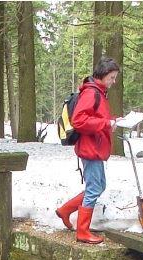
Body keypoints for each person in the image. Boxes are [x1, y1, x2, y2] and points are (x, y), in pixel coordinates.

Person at [55, 57, 120, 244]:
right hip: (90, 148)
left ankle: (65, 210)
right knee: (94, 188)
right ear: (102, 75)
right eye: (112, 77)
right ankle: (82, 231)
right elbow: (79, 121)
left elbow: (95, 117)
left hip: (95, 147)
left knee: (99, 186)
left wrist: (112, 121)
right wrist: (106, 123)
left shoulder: (99, 91)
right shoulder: (92, 93)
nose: (113, 82)